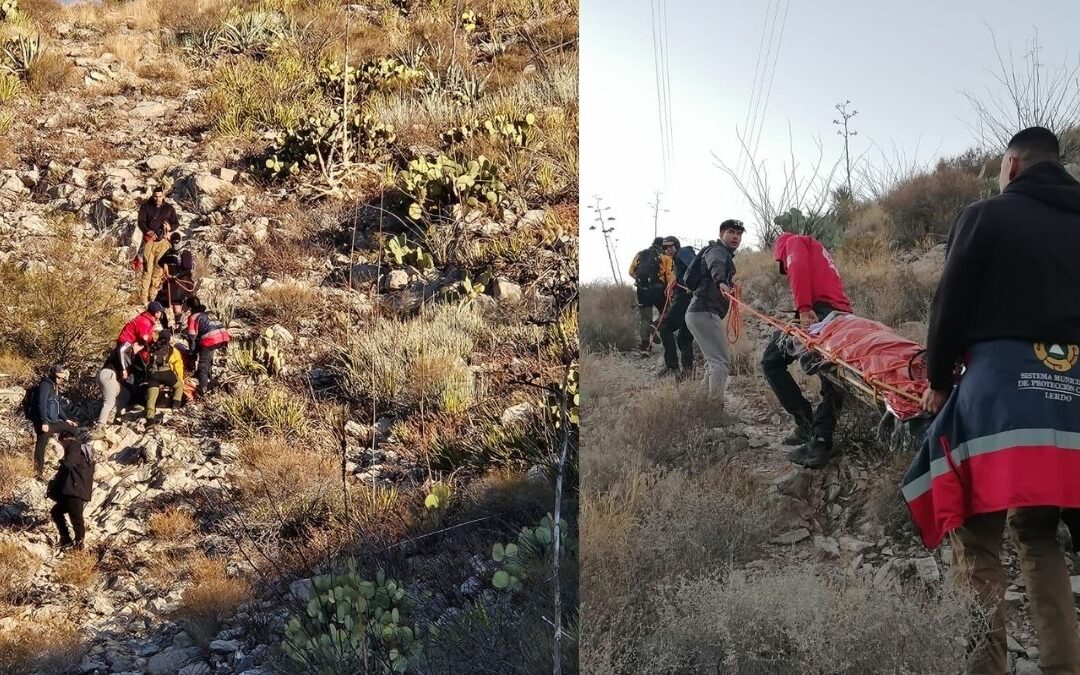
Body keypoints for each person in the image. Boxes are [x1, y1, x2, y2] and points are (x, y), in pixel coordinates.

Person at [912, 126, 1080, 674]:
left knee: (977, 534)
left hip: (999, 393)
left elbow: (950, 301)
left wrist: (937, 377)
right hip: (1071, 397)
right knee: (1037, 533)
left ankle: (985, 667)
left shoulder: (987, 214)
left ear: (1011, 166)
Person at [764, 232, 852, 469]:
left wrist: (803, 309)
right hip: (842, 314)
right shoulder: (818, 248)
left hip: (818, 313)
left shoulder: (793, 243)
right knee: (832, 380)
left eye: (782, 265)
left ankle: (806, 425)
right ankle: (821, 440)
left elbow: (798, 267)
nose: (784, 269)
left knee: (771, 361)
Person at [684, 220, 744, 410]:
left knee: (714, 361)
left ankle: (702, 406)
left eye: (739, 234)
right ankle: (714, 408)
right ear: (721, 234)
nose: (736, 237)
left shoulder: (719, 252)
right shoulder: (718, 251)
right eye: (731, 232)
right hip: (704, 311)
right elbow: (716, 264)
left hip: (699, 312)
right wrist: (721, 282)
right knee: (720, 361)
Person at [46, 429, 95, 551]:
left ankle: (79, 546)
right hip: (80, 488)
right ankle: (66, 539)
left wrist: (61, 463)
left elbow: (69, 464)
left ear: (64, 439)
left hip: (74, 489)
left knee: (76, 518)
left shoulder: (72, 445)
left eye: (61, 443)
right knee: (56, 511)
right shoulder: (84, 451)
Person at [28, 365, 80, 480]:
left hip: (52, 421)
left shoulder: (54, 386)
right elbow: (41, 404)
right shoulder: (45, 385)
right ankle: (38, 473)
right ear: (52, 374)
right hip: (44, 422)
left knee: (72, 428)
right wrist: (44, 422)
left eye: (61, 378)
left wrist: (66, 419)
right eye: (57, 377)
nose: (59, 380)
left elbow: (57, 406)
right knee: (41, 445)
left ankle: (71, 459)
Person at [657, 236, 697, 379]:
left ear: (676, 245)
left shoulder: (683, 252)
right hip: (693, 299)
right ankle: (688, 372)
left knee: (665, 327)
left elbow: (695, 265)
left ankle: (672, 366)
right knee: (684, 337)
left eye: (670, 246)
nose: (667, 249)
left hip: (686, 298)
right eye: (665, 248)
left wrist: (690, 284)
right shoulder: (678, 259)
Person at [628, 237, 674, 353]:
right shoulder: (665, 257)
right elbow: (669, 275)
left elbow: (631, 271)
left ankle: (645, 348)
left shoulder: (640, 254)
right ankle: (656, 325)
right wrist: (670, 289)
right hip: (659, 290)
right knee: (668, 310)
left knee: (645, 318)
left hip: (642, 290)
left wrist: (639, 281)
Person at [137, 187, 179, 304]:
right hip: (149, 242)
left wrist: (170, 228)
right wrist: (148, 231)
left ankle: (153, 297)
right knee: (147, 270)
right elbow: (141, 222)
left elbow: (176, 223)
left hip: (163, 243)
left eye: (160, 196)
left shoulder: (169, 208)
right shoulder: (145, 206)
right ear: (152, 196)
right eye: (155, 196)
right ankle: (143, 299)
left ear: (163, 196)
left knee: (158, 269)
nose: (157, 199)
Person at [185, 296, 231, 395]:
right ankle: (210, 381)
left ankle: (203, 389)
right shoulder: (210, 313)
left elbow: (192, 338)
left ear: (189, 308)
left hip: (210, 340)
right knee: (209, 359)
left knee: (203, 365)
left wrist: (192, 354)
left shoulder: (193, 317)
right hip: (223, 337)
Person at [95, 341, 143, 428]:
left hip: (110, 377)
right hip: (109, 374)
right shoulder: (126, 347)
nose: (138, 351)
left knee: (124, 394)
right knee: (109, 402)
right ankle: (100, 426)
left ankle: (110, 417)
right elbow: (120, 350)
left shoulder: (131, 357)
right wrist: (124, 369)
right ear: (135, 344)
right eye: (139, 348)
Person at [155, 232, 196, 330]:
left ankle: (178, 325)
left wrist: (176, 275)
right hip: (169, 282)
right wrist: (166, 269)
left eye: (177, 242)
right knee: (159, 303)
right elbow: (160, 261)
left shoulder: (185, 253)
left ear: (180, 241)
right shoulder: (169, 252)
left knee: (176, 304)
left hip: (182, 282)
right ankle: (165, 325)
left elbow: (188, 269)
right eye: (173, 242)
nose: (175, 244)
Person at [144, 329, 185, 424]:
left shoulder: (151, 347)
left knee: (151, 398)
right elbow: (178, 365)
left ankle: (150, 419)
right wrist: (180, 378)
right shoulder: (172, 349)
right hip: (166, 373)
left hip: (153, 374)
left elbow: (146, 361)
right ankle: (175, 407)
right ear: (169, 339)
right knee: (179, 386)